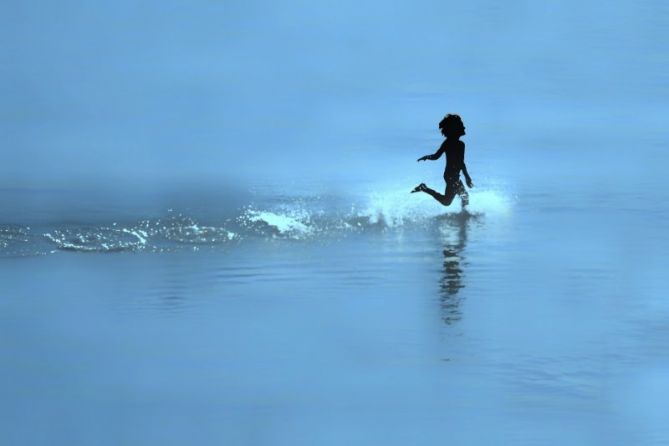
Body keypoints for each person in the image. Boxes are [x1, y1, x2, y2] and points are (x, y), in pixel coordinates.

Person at [411, 114, 474, 209]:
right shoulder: (451, 143)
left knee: (459, 198)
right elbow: (437, 156)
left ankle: (463, 217)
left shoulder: (458, 144)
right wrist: (467, 177)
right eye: (461, 125)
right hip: (451, 176)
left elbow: (459, 162)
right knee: (455, 200)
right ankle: (424, 188)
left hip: (453, 175)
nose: (464, 127)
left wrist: (467, 177)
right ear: (455, 129)